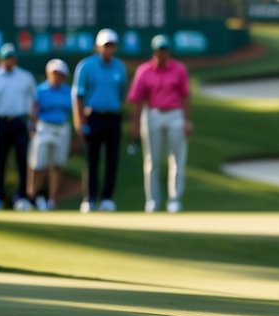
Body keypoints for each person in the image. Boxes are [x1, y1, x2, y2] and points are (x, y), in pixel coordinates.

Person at [129, 35, 192, 213]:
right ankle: (152, 201)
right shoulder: (144, 71)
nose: (162, 53)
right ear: (154, 51)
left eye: (165, 49)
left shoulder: (179, 70)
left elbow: (186, 95)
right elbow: (137, 99)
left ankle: (174, 200)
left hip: (175, 114)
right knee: (151, 161)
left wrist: (187, 120)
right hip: (153, 114)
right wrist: (134, 123)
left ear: (168, 51)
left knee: (177, 159)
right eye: (159, 50)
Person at [73, 29, 128, 212]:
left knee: (112, 159)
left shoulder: (120, 67)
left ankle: (107, 198)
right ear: (97, 47)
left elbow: (121, 94)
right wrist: (79, 120)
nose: (108, 49)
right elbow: (78, 96)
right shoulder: (86, 66)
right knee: (92, 160)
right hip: (92, 117)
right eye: (105, 45)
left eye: (111, 45)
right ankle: (89, 198)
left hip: (113, 117)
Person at [0, 44, 37, 211]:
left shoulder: (25, 77)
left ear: (15, 59)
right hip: (1, 123)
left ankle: (21, 197)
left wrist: (33, 123)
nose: (9, 61)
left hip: (20, 122)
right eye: (6, 58)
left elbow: (34, 102)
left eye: (11, 57)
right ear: (1, 59)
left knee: (22, 162)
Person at [29, 58, 72, 211]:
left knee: (57, 165)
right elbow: (33, 111)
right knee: (38, 164)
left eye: (60, 74)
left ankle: (52, 200)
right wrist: (32, 127)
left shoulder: (68, 91)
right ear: (48, 73)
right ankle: (32, 197)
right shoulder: (40, 90)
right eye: (55, 73)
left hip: (61, 128)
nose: (57, 76)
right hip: (43, 127)